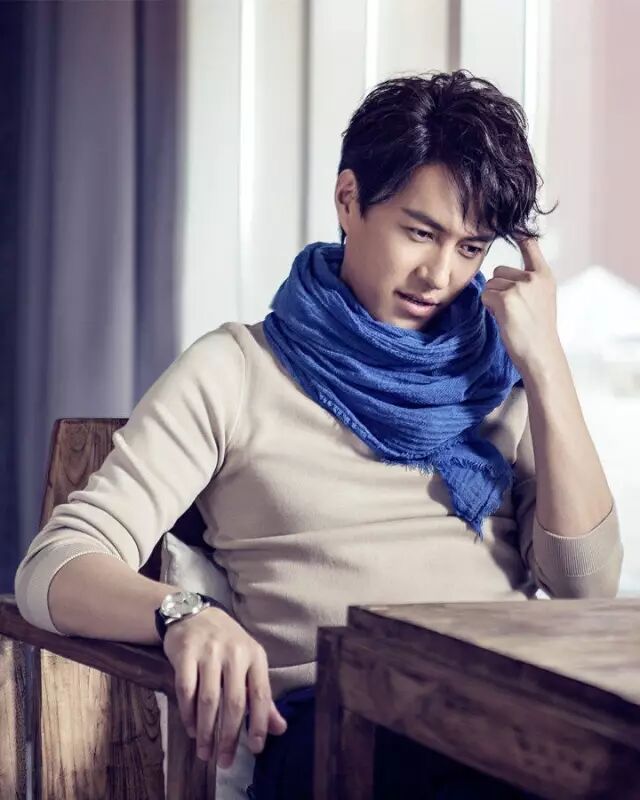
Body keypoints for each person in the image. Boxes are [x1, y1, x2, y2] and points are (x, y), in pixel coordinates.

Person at [14, 70, 622, 799]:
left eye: (471, 248)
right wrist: (183, 613)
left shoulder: (500, 377)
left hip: (508, 716)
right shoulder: (238, 370)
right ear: (348, 199)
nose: (440, 275)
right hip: (341, 726)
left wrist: (547, 364)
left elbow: (586, 586)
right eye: (420, 232)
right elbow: (53, 567)